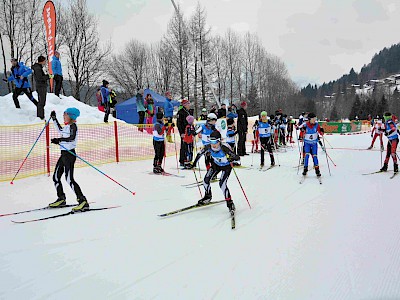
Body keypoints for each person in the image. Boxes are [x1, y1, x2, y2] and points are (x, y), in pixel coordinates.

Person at [188, 130, 239, 213]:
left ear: (219, 141)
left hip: (226, 167)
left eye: (215, 141)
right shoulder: (208, 147)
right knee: (205, 181)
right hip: (216, 165)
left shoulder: (224, 148)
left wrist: (232, 159)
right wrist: (194, 164)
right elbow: (199, 154)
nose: (213, 144)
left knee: (222, 184)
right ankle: (208, 196)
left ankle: (230, 203)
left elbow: (237, 158)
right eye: (211, 141)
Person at [48, 108, 89, 212]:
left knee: (69, 179)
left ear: (71, 116)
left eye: (65, 114)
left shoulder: (73, 126)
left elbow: (71, 138)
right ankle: (61, 199)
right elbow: (60, 130)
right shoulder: (66, 127)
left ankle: (82, 201)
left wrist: (59, 140)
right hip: (63, 155)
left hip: (70, 155)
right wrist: (54, 119)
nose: (63, 116)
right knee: (56, 177)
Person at [298, 112, 324, 177]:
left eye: (315, 118)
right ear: (309, 119)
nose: (315, 120)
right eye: (313, 119)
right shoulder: (306, 124)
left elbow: (321, 133)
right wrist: (302, 130)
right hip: (307, 143)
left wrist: (322, 131)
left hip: (314, 143)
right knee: (306, 156)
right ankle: (305, 169)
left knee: (315, 156)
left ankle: (317, 170)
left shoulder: (317, 125)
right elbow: (299, 128)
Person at [32, 55, 53, 120]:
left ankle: (41, 115)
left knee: (41, 101)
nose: (45, 62)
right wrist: (48, 76)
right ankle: (40, 116)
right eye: (45, 61)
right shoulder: (38, 68)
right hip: (41, 86)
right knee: (42, 102)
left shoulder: (39, 68)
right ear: (42, 61)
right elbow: (40, 78)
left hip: (41, 86)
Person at [177, 99, 193, 166]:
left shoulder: (188, 111)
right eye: (188, 103)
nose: (189, 105)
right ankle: (182, 160)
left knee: (189, 145)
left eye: (189, 103)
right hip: (184, 131)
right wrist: (181, 133)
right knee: (184, 145)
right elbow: (179, 123)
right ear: (184, 104)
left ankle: (188, 159)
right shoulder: (181, 112)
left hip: (188, 131)